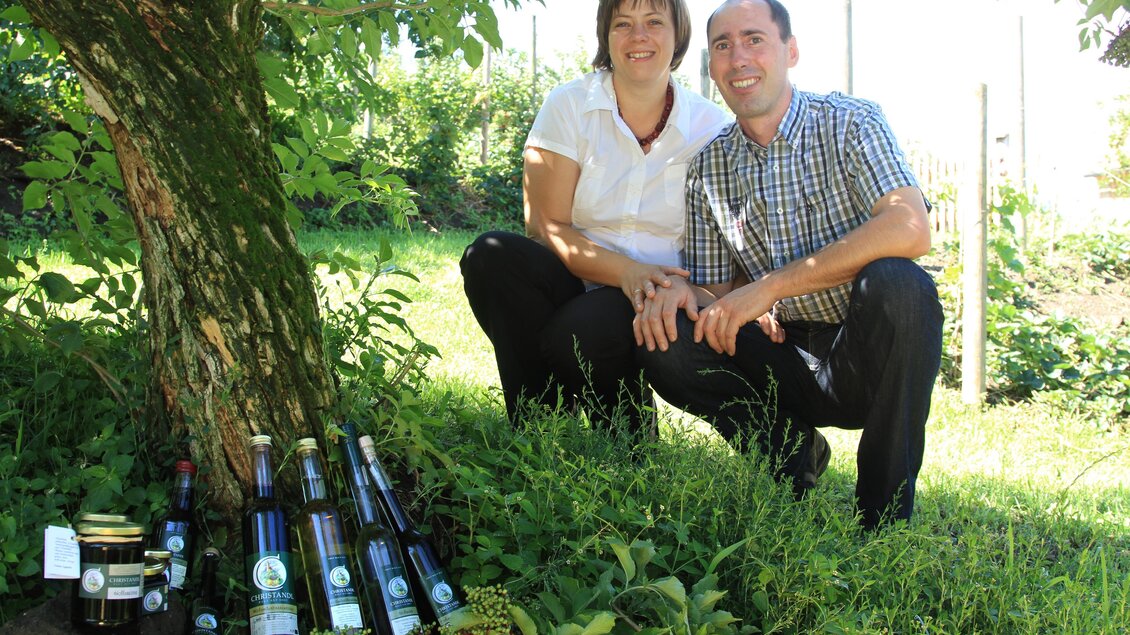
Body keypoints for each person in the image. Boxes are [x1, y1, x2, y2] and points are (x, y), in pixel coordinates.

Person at [634, 0, 944, 528]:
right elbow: (715, 291)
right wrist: (686, 298)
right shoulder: (709, 168)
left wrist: (772, 287)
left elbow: (909, 226)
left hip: (866, 353)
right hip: (785, 355)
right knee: (668, 337)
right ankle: (792, 458)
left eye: (755, 39)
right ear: (712, 68)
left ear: (790, 51)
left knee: (900, 283)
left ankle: (883, 518)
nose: (738, 59)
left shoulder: (850, 122)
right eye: (723, 47)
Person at [460, 0, 731, 436]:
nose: (638, 36)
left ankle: (628, 438)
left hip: (652, 297)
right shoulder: (569, 105)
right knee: (492, 257)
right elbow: (545, 226)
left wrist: (666, 286)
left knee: (589, 325)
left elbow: (724, 247)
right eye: (623, 24)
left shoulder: (712, 127)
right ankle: (539, 429)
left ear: (678, 34)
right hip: (571, 274)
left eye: (654, 22)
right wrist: (626, 270)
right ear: (606, 36)